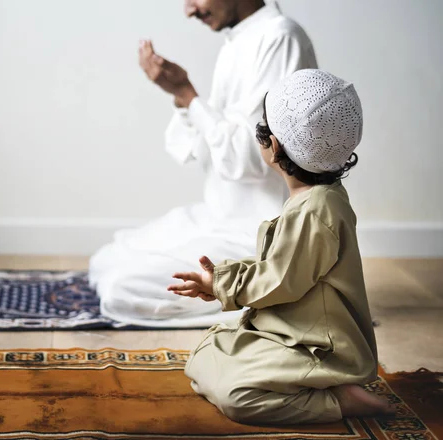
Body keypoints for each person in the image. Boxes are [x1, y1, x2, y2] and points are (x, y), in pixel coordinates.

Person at [167, 69, 396, 424]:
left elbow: (280, 279)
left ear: (272, 147)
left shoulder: (316, 210)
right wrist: (224, 278)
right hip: (289, 331)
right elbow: (282, 265)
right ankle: (307, 383)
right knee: (205, 355)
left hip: (320, 347)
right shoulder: (316, 199)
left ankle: (338, 399)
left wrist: (223, 285)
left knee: (237, 396)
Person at [89, 0, 317, 327]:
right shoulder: (237, 42)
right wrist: (184, 101)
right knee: (107, 260)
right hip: (218, 216)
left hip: (260, 232)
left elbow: (256, 157)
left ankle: (266, 292)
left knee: (121, 287)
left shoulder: (280, 38)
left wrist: (188, 95)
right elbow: (206, 150)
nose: (190, 10)